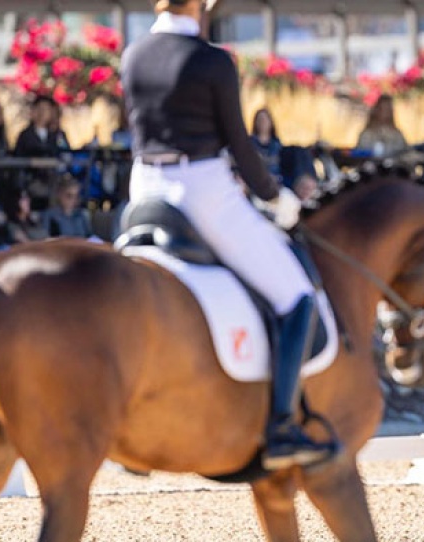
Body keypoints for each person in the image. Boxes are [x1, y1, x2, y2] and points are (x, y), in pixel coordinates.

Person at [121, 0, 338, 470]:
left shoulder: (133, 54)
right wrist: (275, 197)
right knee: (297, 295)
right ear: (198, 6)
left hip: (142, 188)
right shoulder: (212, 60)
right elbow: (239, 142)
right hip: (202, 189)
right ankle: (282, 426)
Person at [250, 108, 284, 183]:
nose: (263, 122)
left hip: (276, 182)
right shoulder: (250, 143)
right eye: (260, 119)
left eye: (265, 119)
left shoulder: (277, 145)